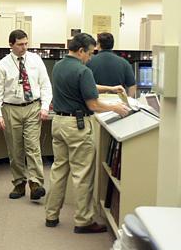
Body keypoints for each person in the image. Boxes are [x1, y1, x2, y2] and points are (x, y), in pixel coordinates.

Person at [44, 33, 129, 234]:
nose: (90, 58)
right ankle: (83, 221)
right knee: (82, 174)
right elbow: (93, 103)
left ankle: (51, 214)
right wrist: (115, 107)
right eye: (89, 54)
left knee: (58, 170)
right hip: (77, 126)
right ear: (81, 51)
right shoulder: (83, 70)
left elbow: (86, 88)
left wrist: (110, 88)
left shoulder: (59, 66)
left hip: (58, 123)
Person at [0, 29, 52, 201]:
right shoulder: (3, 64)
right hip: (11, 109)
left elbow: (46, 85)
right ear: (11, 45)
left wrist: (45, 106)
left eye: (26, 43)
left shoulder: (36, 60)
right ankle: (19, 183)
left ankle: (35, 184)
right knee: (15, 149)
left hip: (33, 106)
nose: (24, 47)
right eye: (20, 44)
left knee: (33, 147)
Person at [87, 32, 137, 97]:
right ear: (112, 45)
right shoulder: (124, 63)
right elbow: (132, 85)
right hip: (117, 103)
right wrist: (128, 101)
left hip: (96, 102)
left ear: (98, 44)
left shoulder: (89, 61)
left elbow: (85, 85)